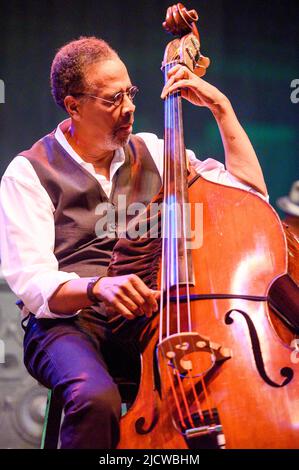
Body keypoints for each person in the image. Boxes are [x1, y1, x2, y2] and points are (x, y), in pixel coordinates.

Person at [0, 36, 268, 449]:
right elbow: (34, 283)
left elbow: (248, 197)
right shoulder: (29, 172)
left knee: (219, 381)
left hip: (153, 318)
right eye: (112, 99)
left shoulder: (158, 153)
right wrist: (96, 287)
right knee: (94, 398)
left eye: (130, 92)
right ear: (73, 105)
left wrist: (221, 109)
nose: (128, 108)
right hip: (70, 325)